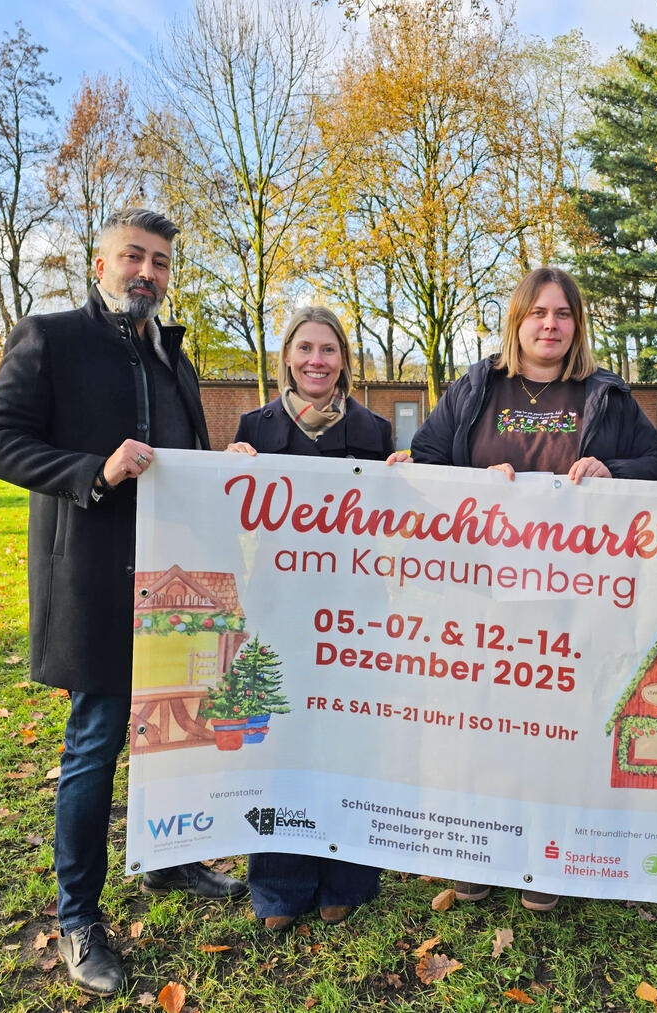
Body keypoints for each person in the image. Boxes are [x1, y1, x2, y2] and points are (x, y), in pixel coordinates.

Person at [0, 208, 247, 996]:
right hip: (93, 578)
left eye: (160, 262)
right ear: (100, 262)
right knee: (95, 740)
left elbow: (183, 464)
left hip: (174, 583)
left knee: (176, 727)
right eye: (134, 256)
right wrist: (95, 469)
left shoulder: (173, 356)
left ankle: (168, 856)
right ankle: (78, 915)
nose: (148, 273)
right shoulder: (49, 337)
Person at [404, 266, 657, 911]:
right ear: (517, 320)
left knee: (557, 724)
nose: (549, 325)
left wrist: (610, 468)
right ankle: (483, 853)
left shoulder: (604, 394)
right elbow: (427, 455)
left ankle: (548, 856)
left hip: (573, 596)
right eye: (537, 313)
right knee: (484, 722)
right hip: (481, 593)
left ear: (577, 325)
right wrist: (473, 477)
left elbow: (656, 464)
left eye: (563, 314)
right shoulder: (477, 386)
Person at [226, 305, 394, 931]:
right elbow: (232, 516)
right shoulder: (256, 428)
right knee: (282, 739)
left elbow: (399, 516)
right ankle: (279, 884)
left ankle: (348, 876)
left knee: (352, 740)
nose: (316, 360)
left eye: (328, 349)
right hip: (280, 607)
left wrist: (402, 480)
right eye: (305, 349)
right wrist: (228, 472)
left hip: (358, 609)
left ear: (345, 360)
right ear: (287, 358)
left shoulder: (377, 433)